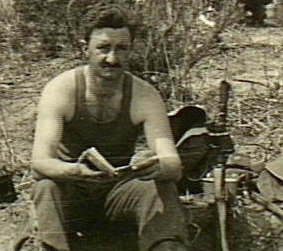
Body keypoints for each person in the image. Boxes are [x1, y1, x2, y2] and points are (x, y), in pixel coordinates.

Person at [26, 4, 188, 251]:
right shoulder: (61, 90)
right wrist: (75, 172)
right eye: (103, 48)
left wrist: (157, 166)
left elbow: (173, 164)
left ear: (130, 50)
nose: (112, 59)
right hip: (72, 192)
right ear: (85, 49)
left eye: (121, 49)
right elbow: (40, 162)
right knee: (46, 187)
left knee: (161, 187)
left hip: (120, 193)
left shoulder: (144, 95)